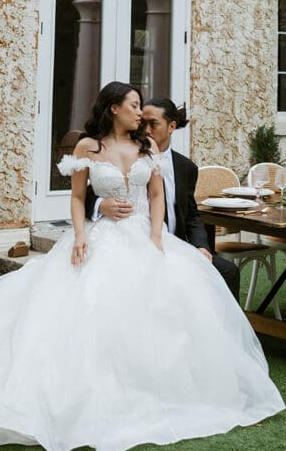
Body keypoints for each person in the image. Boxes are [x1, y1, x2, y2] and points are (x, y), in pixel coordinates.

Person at [0, 81, 284, 451]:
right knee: (89, 308)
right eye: (134, 105)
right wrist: (80, 233)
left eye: (142, 107)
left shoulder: (146, 146)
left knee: (168, 307)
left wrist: (156, 236)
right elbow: (76, 197)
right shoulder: (88, 147)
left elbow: (156, 195)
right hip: (102, 236)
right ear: (113, 109)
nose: (141, 113)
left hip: (145, 236)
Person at [85, 96, 240, 300]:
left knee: (228, 271)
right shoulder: (129, 153)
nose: (146, 130)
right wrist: (100, 204)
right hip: (137, 242)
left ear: (171, 126)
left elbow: (192, 214)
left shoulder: (186, 167)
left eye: (153, 124)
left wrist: (201, 246)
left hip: (175, 244)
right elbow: (87, 194)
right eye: (143, 123)